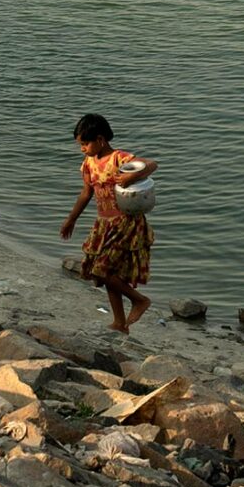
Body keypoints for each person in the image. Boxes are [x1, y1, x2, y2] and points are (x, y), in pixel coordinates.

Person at [60, 114, 156, 333]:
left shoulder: (118, 159)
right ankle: (120, 324)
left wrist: (132, 177)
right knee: (109, 274)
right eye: (81, 145)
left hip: (125, 223)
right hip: (103, 224)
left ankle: (140, 301)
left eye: (85, 143)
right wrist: (71, 219)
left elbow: (151, 164)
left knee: (103, 270)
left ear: (101, 139)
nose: (82, 148)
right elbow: (86, 193)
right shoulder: (89, 164)